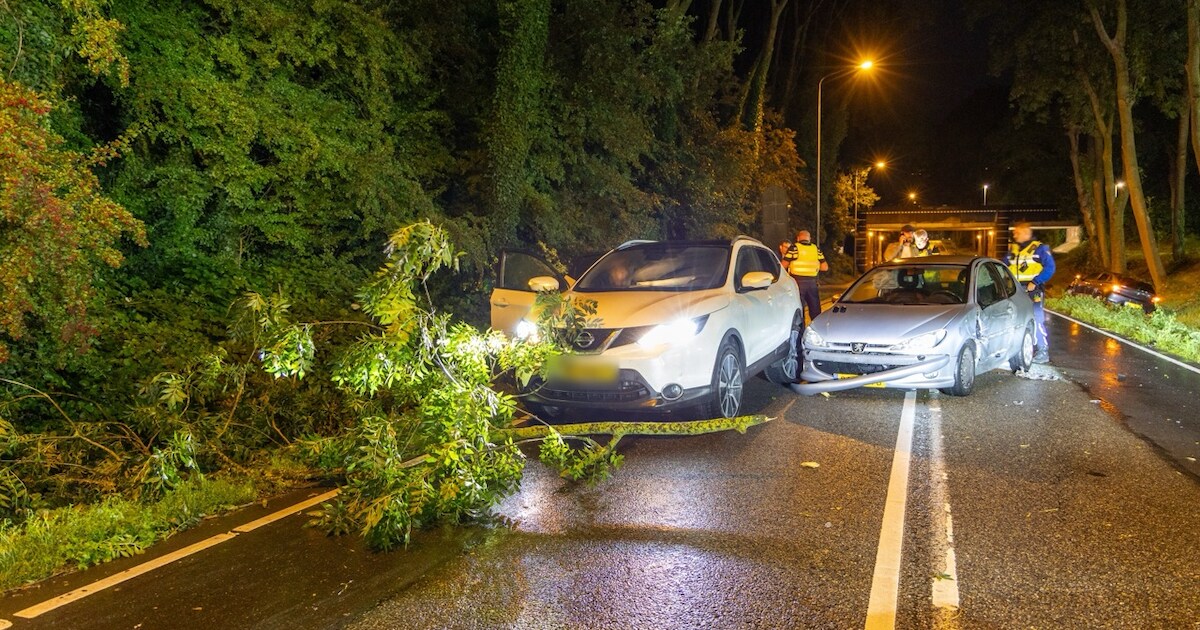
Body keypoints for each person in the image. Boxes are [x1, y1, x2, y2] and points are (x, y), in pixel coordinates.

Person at [1004, 221, 1056, 363]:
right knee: (1013, 319)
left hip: (1033, 290)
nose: (1014, 234)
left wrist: (1035, 281)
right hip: (1014, 291)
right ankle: (1014, 350)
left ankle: (1042, 351)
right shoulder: (1013, 250)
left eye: (1017, 232)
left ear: (1026, 233)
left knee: (1036, 319)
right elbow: (1003, 267)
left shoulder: (1039, 249)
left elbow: (1050, 268)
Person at [783, 230, 829, 324]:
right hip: (812, 283)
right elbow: (825, 267)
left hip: (797, 283)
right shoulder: (816, 249)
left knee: (799, 308)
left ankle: (801, 331)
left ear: (798, 238)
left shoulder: (794, 248)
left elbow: (783, 266)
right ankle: (817, 329)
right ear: (809, 238)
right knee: (815, 309)